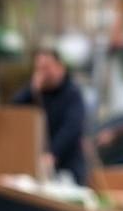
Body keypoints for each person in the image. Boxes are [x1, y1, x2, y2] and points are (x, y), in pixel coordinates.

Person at [10, 47, 88, 184]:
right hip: (39, 167)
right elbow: (15, 110)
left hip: (68, 164)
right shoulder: (36, 93)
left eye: (46, 68)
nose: (43, 73)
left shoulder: (72, 93)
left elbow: (72, 127)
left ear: (60, 68)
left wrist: (53, 153)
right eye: (39, 69)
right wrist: (31, 90)